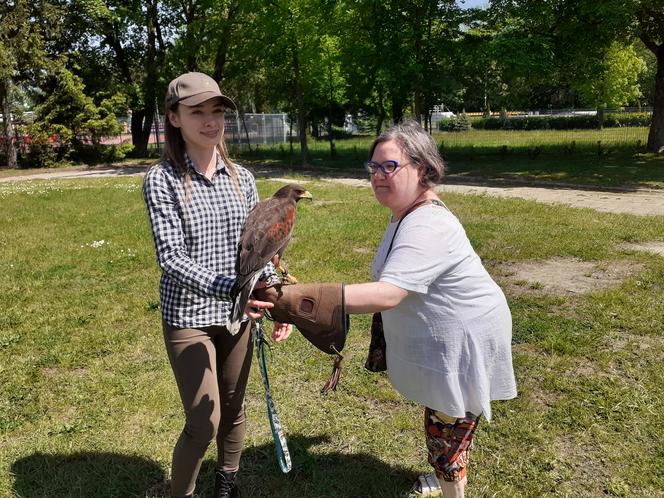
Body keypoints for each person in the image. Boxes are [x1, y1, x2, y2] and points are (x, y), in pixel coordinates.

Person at [342, 120, 517, 498]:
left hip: (464, 342)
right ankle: (445, 478)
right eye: (373, 167)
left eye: (390, 166)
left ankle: (451, 486)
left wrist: (305, 300)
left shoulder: (427, 224)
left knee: (446, 433)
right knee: (444, 417)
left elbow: (387, 293)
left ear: (422, 169)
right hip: (450, 335)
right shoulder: (406, 210)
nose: (378, 175)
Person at [142, 71, 292, 498]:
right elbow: (171, 258)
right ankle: (181, 493)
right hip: (188, 315)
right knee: (203, 421)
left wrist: (272, 299)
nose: (210, 121)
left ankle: (227, 484)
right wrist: (232, 289)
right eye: (197, 112)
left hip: (237, 315)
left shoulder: (242, 178)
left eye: (217, 112)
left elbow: (256, 251)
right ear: (174, 118)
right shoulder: (163, 179)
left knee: (234, 409)